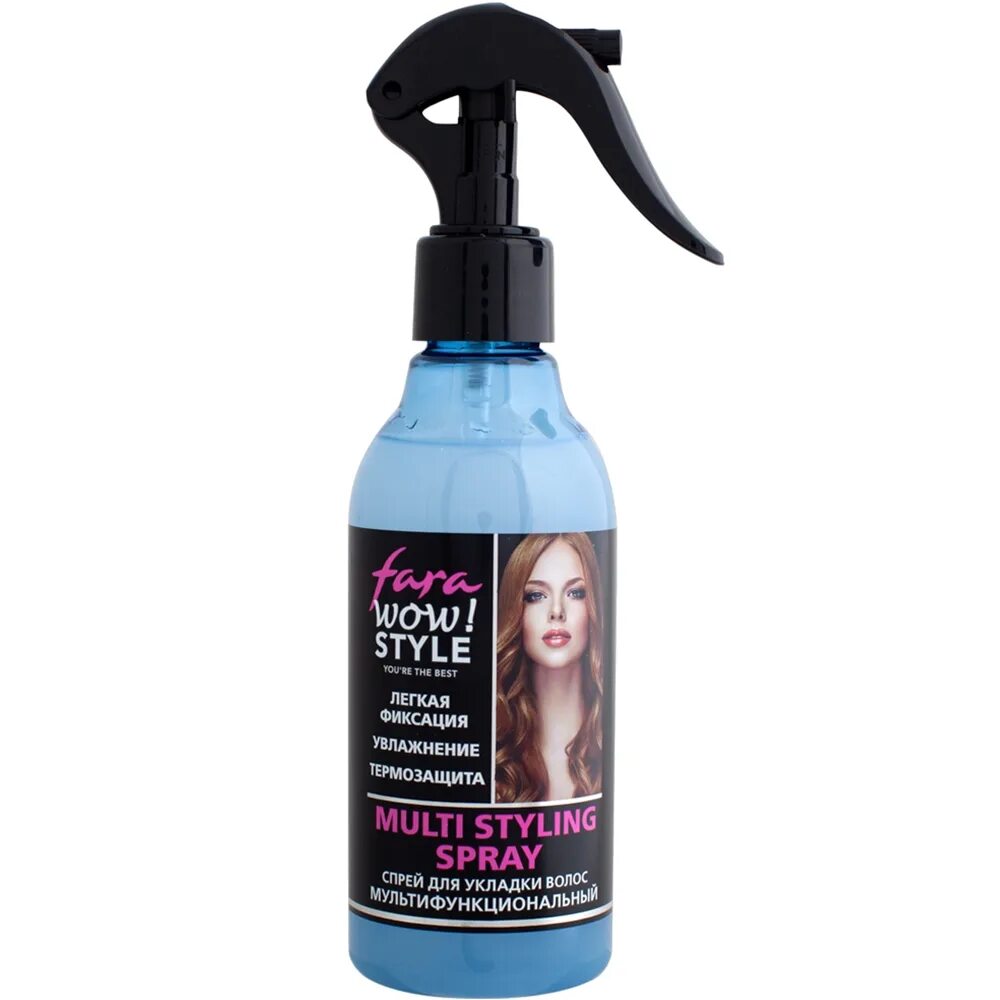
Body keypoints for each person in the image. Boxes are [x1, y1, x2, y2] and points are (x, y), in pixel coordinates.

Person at [495, 533, 604, 802]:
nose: (556, 611)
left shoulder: (608, 745)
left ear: (593, 606)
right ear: (515, 611)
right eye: (536, 596)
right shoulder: (496, 761)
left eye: (575, 593)